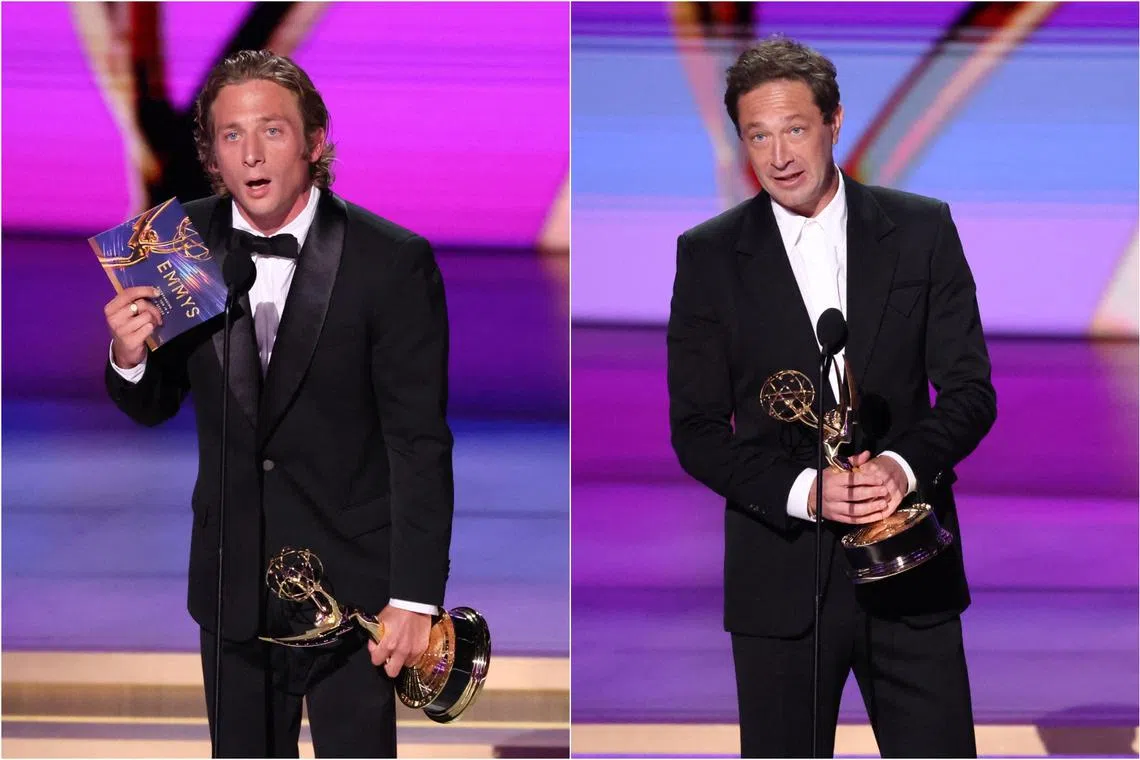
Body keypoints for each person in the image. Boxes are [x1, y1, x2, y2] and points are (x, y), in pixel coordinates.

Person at [103, 50, 453, 757]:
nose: (252, 154)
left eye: (273, 131)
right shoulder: (175, 244)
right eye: (231, 135)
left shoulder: (392, 260)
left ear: (314, 142)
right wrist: (129, 359)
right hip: (233, 586)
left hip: (354, 602)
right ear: (212, 154)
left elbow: (418, 442)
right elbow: (155, 404)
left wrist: (415, 599)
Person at [667, 37, 996, 758]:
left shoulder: (920, 231)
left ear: (834, 122)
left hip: (911, 565)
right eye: (758, 134)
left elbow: (970, 391)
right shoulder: (709, 256)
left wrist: (900, 469)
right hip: (781, 579)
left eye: (794, 129)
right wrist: (808, 493)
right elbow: (695, 429)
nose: (779, 154)